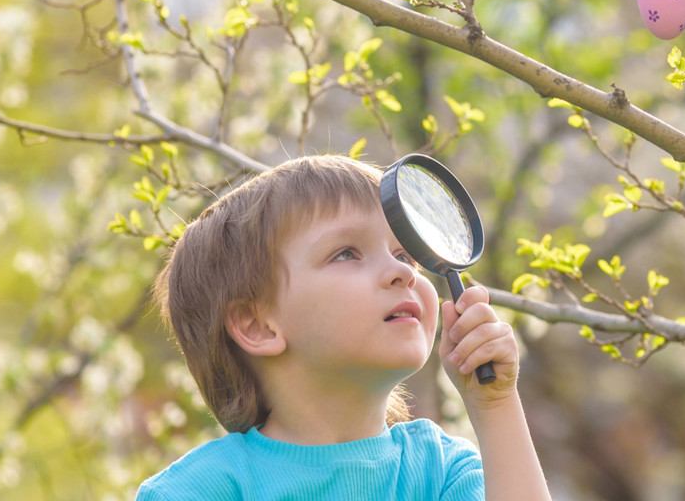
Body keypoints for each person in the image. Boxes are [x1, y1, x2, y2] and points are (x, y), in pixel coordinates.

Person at [135, 155, 551, 500]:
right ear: (257, 326)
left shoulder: (441, 471)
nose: (399, 272)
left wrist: (495, 405)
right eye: (347, 253)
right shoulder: (197, 491)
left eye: (405, 255)